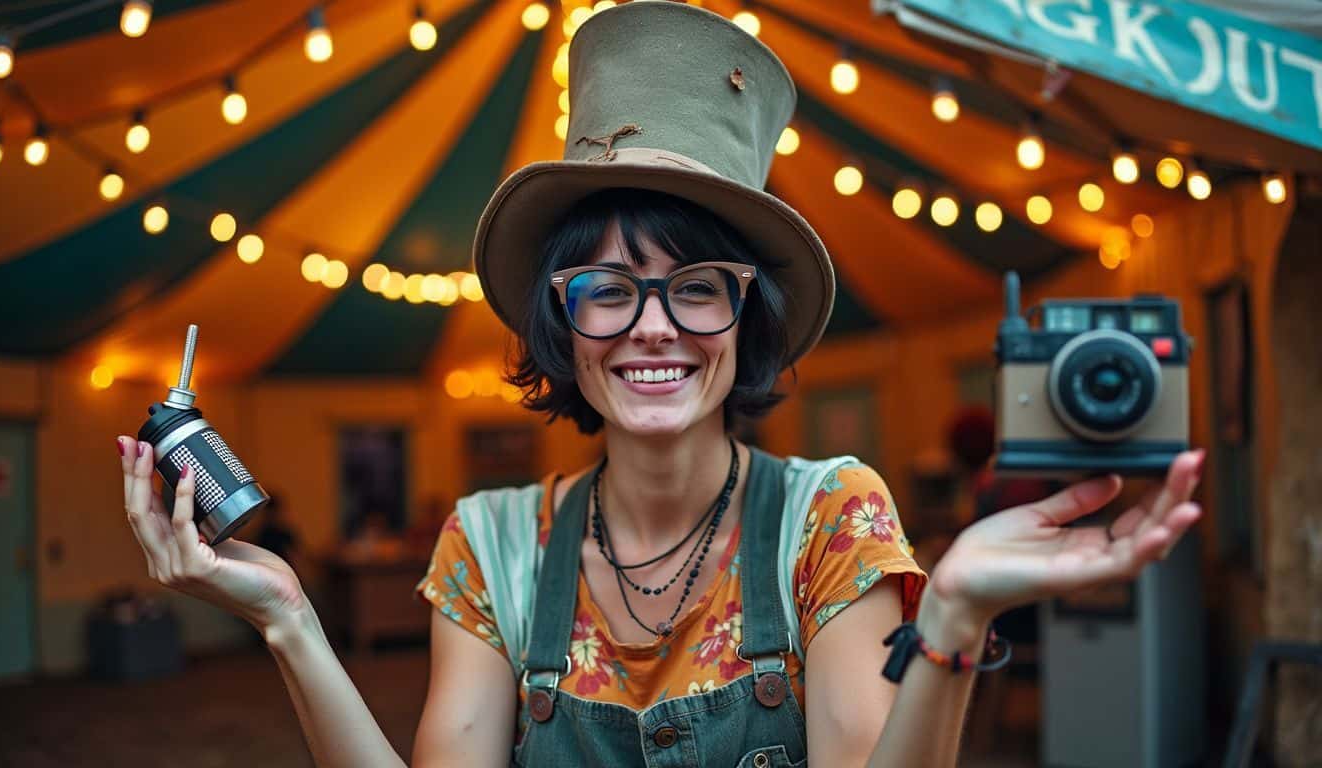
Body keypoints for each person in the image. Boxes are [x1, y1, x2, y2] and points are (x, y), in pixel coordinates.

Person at [114, 4, 1204, 766]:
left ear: (748, 316)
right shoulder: (488, 542)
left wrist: (956, 610)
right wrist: (290, 621)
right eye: (607, 288)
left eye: (696, 287)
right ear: (561, 319)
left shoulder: (833, 518)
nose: (652, 328)